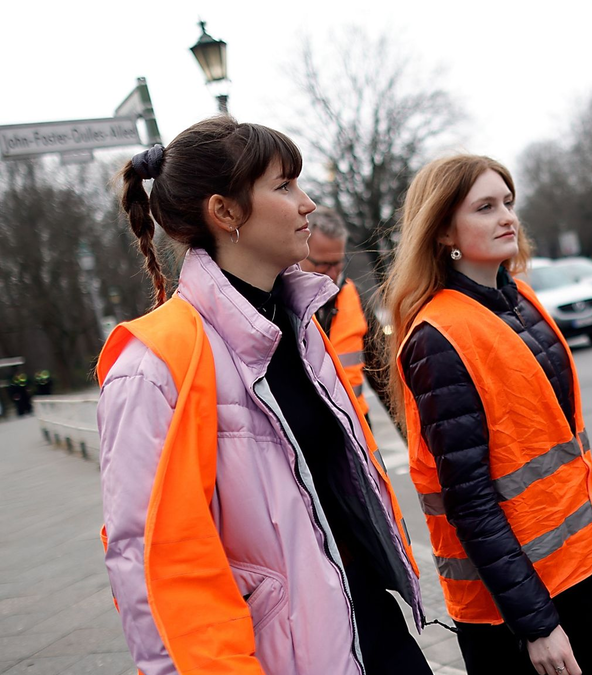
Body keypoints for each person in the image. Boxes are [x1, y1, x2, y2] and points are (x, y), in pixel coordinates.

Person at [97, 117, 431, 675]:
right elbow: (155, 572)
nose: (307, 203)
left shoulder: (298, 325)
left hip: (370, 625)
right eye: (283, 186)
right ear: (224, 212)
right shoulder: (151, 368)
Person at [385, 155, 592, 675]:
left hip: (583, 566)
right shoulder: (437, 337)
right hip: (518, 605)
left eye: (508, 202)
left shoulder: (519, 298)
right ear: (443, 230)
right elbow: (470, 501)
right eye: (485, 207)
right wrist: (536, 624)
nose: (507, 216)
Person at [299, 206, 372, 423]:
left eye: (338, 263)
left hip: (357, 422)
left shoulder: (354, 295)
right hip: (311, 431)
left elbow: (383, 377)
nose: (332, 274)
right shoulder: (279, 301)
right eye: (322, 265)